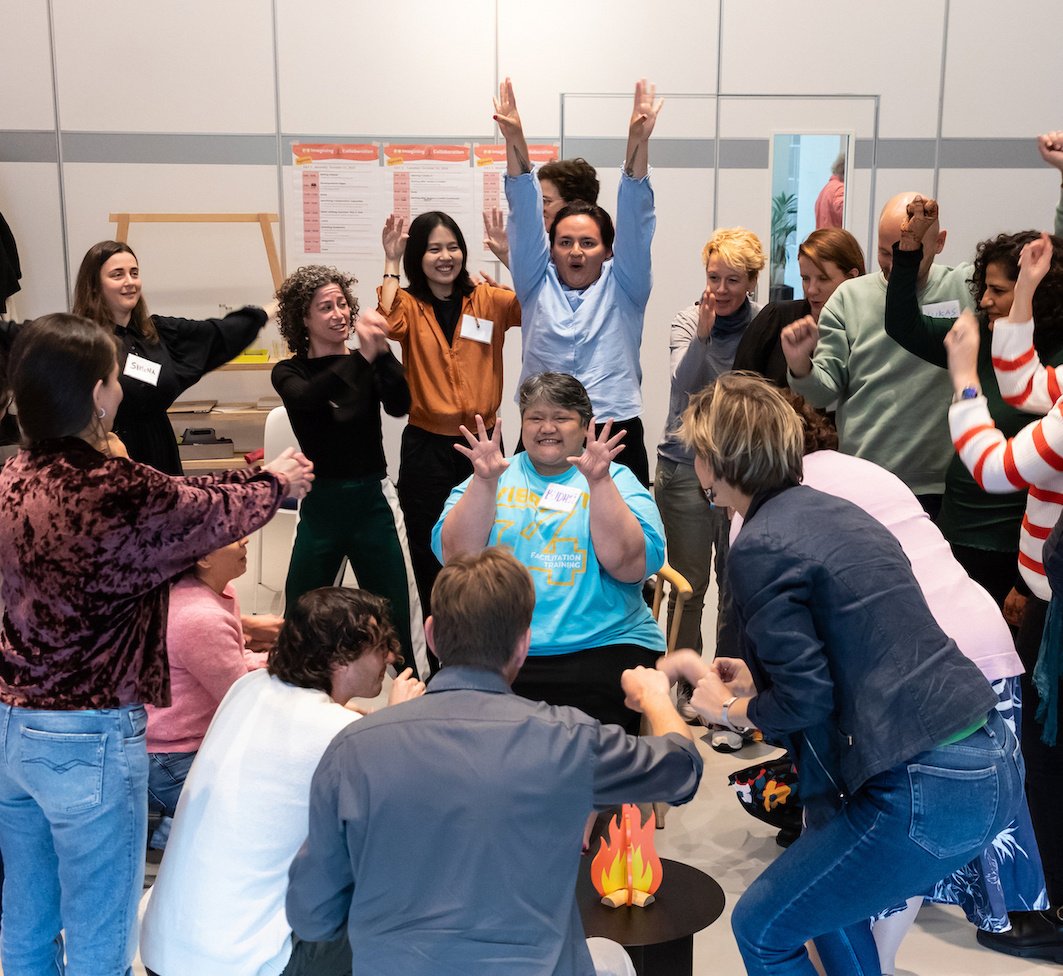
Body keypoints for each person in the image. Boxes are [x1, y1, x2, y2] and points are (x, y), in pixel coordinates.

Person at [664, 372, 1022, 975]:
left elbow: (806, 702)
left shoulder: (759, 541)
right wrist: (756, 680)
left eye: (698, 453)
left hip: (921, 784)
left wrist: (724, 711)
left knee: (762, 928)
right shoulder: (841, 512)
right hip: (986, 761)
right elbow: (852, 646)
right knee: (826, 914)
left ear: (718, 460)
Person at [0, 313, 313, 976]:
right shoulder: (114, 490)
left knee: (25, 921)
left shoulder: (10, 480)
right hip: (88, 739)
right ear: (96, 392)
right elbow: (201, 510)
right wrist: (276, 482)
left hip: (9, 730)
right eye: (114, 376)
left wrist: (258, 481)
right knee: (100, 930)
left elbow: (183, 496)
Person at [286, 547, 702, 976]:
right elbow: (683, 768)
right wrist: (654, 695)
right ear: (524, 643)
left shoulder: (351, 750)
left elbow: (311, 914)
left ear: (431, 634)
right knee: (613, 958)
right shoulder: (568, 740)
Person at [140, 588, 425, 976]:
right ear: (340, 658)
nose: (391, 657)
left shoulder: (248, 687)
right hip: (241, 966)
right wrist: (400, 721)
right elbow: (402, 807)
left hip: (164, 954)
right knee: (390, 885)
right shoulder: (342, 735)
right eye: (380, 647)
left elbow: (312, 733)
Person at [946, 237, 1063, 958]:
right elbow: (1025, 387)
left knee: (1049, 757)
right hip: (1050, 593)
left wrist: (962, 378)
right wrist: (1024, 291)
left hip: (1057, 609)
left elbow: (992, 466)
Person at [433, 372, 666, 734]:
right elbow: (457, 557)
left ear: (586, 426)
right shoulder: (491, 474)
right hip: (500, 647)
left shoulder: (615, 478)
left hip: (603, 643)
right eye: (535, 417)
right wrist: (483, 484)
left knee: (594, 755)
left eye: (561, 417)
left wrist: (599, 483)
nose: (547, 428)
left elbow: (630, 567)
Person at [885, 199, 1063, 613]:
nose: (983, 301)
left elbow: (997, 466)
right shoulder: (984, 337)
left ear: (1036, 295)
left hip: (1012, 549)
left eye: (999, 291)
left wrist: (1025, 579)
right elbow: (902, 324)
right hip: (958, 526)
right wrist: (910, 246)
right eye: (983, 288)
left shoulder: (1052, 363)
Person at [496, 77, 662, 487]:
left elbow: (638, 218)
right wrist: (515, 137)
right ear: (550, 247)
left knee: (620, 540)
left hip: (612, 428)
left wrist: (636, 145)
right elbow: (523, 208)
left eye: (588, 243)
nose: (575, 252)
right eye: (565, 242)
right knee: (533, 535)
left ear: (608, 250)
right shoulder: (535, 283)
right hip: (544, 431)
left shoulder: (625, 286)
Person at [272, 265, 427, 677]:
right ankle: (295, 686)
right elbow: (308, 400)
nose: (339, 314)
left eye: (342, 304)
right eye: (325, 307)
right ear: (303, 319)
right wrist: (363, 355)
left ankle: (415, 686)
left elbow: (400, 404)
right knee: (301, 606)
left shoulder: (367, 360)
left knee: (396, 604)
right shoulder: (290, 371)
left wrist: (383, 354)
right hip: (322, 502)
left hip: (372, 499)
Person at [783, 192, 972, 516]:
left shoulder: (965, 286)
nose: (896, 263)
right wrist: (801, 367)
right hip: (865, 478)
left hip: (939, 485)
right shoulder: (850, 296)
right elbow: (825, 390)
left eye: (910, 249)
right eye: (886, 252)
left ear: (939, 242)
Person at [378, 211, 521, 619]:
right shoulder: (408, 303)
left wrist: (511, 258)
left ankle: (488, 634)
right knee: (427, 549)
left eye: (453, 246)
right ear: (417, 257)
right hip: (427, 445)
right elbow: (387, 320)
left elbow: (538, 306)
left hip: (483, 443)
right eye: (434, 249)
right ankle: (439, 645)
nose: (446, 256)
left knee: (490, 543)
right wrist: (390, 259)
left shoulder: (487, 299)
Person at [654, 227, 765, 721]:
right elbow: (683, 383)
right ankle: (682, 690)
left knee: (735, 583)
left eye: (732, 280)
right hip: (682, 467)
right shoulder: (686, 320)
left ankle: (725, 688)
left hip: (740, 472)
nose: (719, 290)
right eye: (713, 277)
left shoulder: (761, 326)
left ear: (751, 282)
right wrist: (701, 335)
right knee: (690, 584)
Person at [71, 240, 274, 474]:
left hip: (160, 451)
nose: (129, 282)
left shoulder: (159, 333)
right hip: (109, 456)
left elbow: (218, 333)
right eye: (117, 275)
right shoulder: (81, 342)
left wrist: (274, 308)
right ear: (95, 285)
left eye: (134, 273)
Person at [144, 536, 275, 850]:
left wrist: (271, 662)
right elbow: (239, 695)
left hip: (176, 744)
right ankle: (178, 826)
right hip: (166, 755)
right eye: (232, 536)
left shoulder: (220, 593)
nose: (245, 541)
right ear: (203, 558)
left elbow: (235, 658)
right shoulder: (200, 615)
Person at [732, 227, 865, 388]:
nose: (811, 290)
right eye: (805, 278)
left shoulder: (865, 333)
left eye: (823, 279)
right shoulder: (776, 318)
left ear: (851, 277)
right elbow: (736, 391)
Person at [484, 156, 600, 268]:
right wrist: (505, 253)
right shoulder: (551, 246)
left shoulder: (600, 253)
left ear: (573, 204)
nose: (540, 209)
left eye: (545, 201)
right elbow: (539, 283)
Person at [813, 153, 845, 229]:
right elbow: (848, 217)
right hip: (836, 240)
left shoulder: (826, 188)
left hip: (823, 239)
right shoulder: (840, 189)